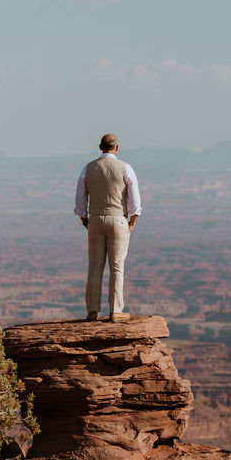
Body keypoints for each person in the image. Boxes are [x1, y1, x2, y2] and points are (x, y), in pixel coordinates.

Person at [74, 133, 141, 322]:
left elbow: (80, 198)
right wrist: (132, 223)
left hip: (95, 220)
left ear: (99, 147)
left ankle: (93, 311)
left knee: (95, 268)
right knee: (117, 267)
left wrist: (85, 219)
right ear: (117, 148)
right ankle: (116, 311)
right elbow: (134, 199)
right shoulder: (126, 168)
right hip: (118, 220)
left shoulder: (88, 168)